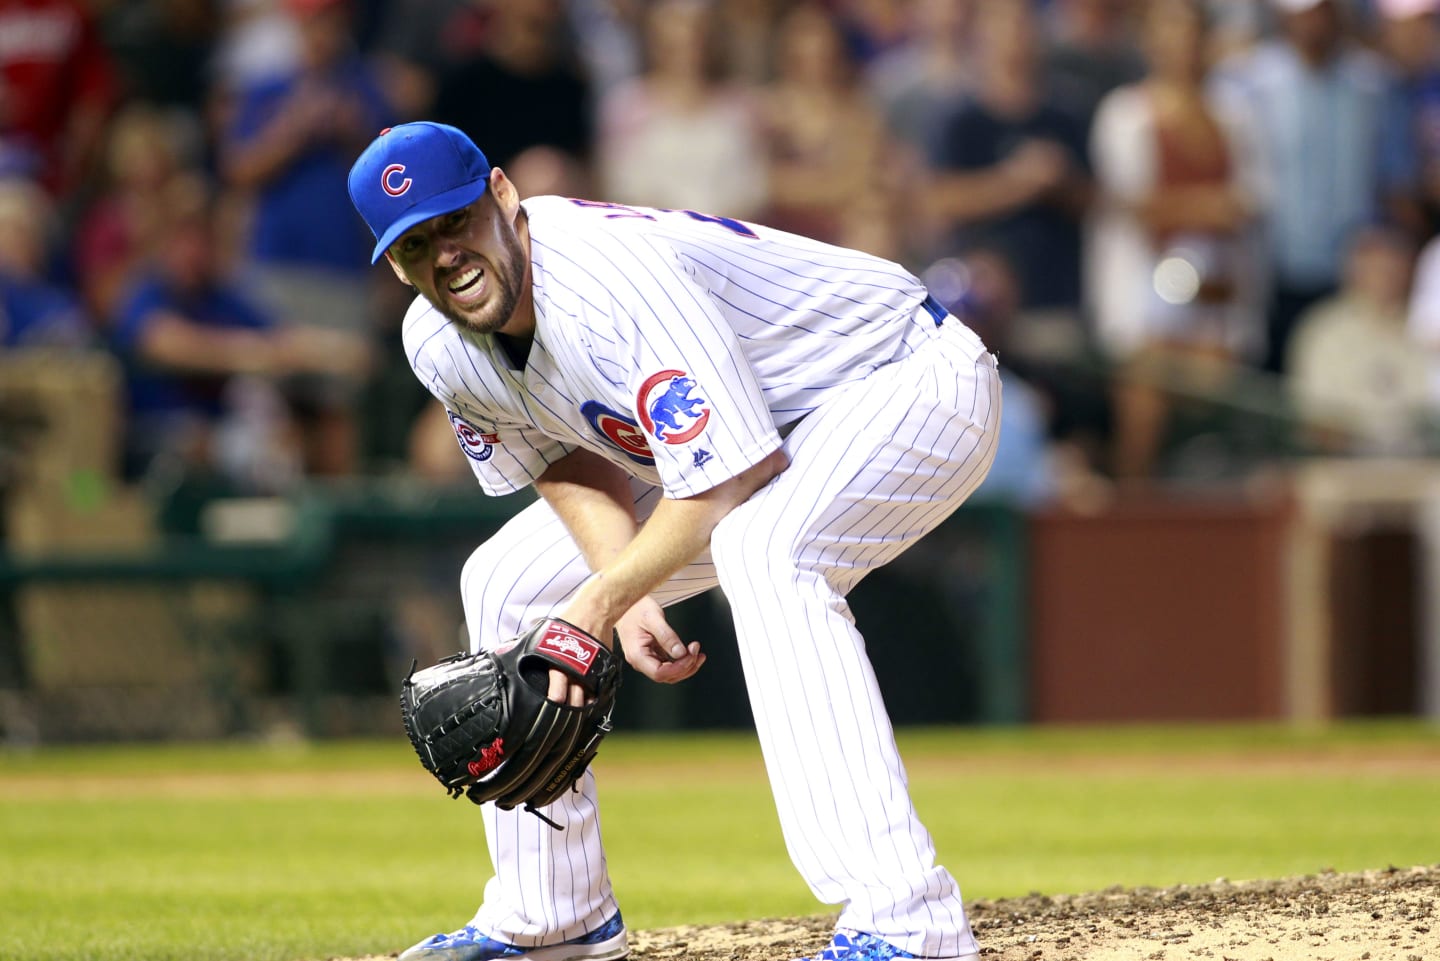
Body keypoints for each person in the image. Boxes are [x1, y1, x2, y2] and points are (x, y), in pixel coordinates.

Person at [347, 121, 999, 961]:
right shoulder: (436, 341)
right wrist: (630, 584)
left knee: (767, 550)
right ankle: (554, 915)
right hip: (765, 433)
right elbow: (557, 447)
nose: (446, 256)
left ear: (504, 196)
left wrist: (603, 595)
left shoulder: (610, 278)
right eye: (414, 247)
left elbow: (733, 477)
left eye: (457, 223)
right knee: (504, 581)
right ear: (394, 265)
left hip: (906, 378)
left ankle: (909, 924)